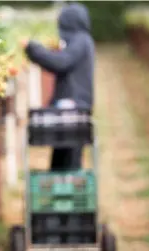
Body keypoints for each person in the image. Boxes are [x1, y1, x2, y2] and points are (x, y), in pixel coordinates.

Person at [21, 3, 95, 171]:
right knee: (62, 154)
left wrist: (33, 48)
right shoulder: (81, 41)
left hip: (74, 109)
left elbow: (60, 62)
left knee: (70, 157)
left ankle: (69, 193)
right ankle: (63, 189)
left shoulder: (80, 41)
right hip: (72, 110)